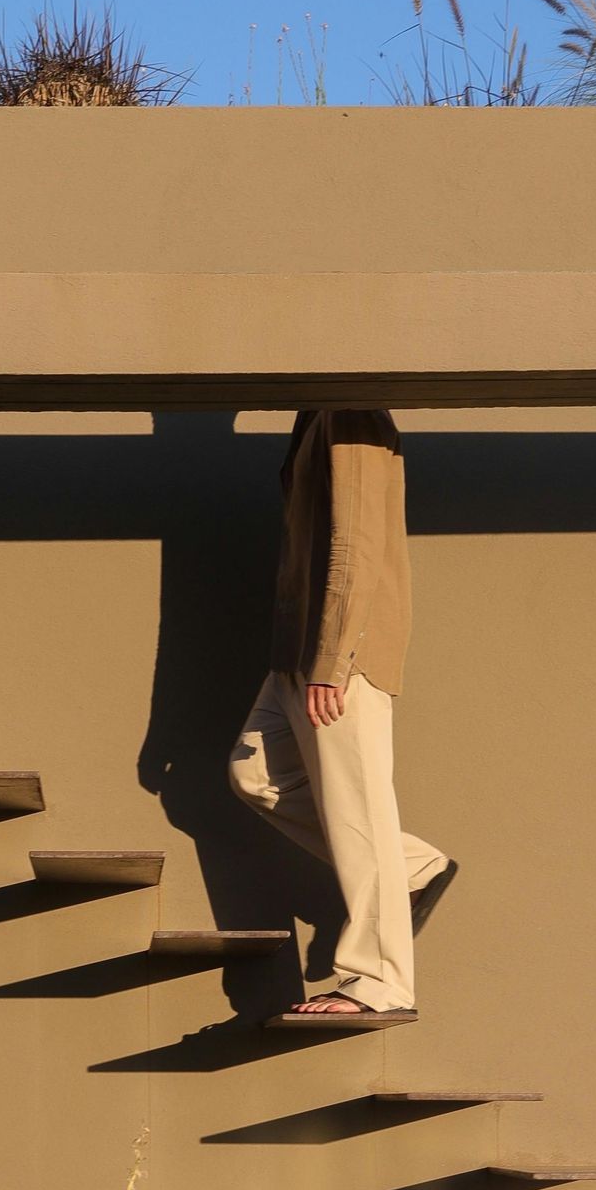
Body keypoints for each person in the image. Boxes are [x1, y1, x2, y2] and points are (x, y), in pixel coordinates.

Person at [227, 404, 451, 1029]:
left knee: (359, 809)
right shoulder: (317, 412)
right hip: (296, 651)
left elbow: (355, 542)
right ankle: (410, 866)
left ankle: (380, 982)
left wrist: (334, 658)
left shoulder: (350, 410)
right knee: (253, 775)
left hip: (338, 654)